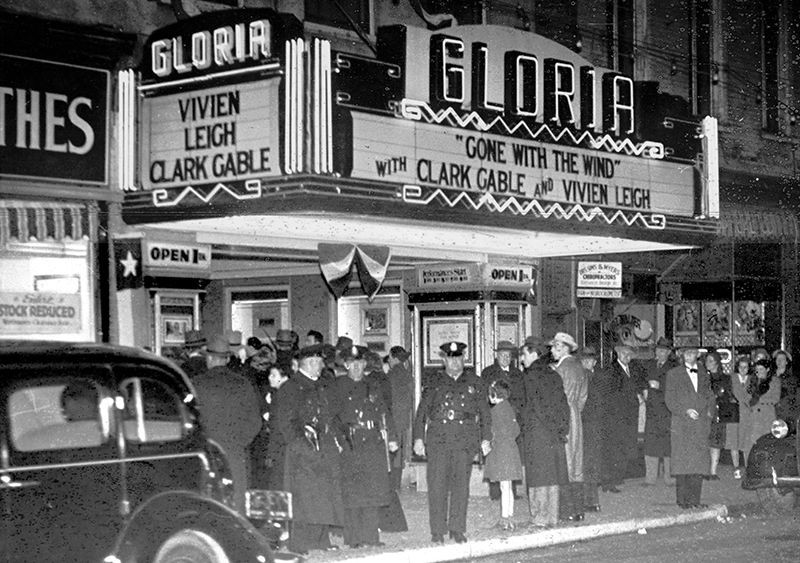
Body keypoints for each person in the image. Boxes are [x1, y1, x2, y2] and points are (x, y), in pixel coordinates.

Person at [413, 341, 491, 544]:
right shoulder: (434, 382)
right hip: (438, 440)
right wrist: (418, 438)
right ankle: (437, 531)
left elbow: (484, 413)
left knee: (460, 487)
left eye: (458, 357)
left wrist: (486, 438)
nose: (455, 362)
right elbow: (421, 412)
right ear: (444, 359)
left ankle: (457, 529)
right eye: (451, 358)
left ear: (463, 358)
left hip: (464, 440)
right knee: (437, 486)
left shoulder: (475, 382)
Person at [274, 344, 344, 554]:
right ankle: (299, 543)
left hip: (324, 447)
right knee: (303, 498)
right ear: (311, 363)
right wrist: (304, 448)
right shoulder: (291, 387)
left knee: (324, 494)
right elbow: (286, 423)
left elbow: (331, 415)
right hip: (302, 453)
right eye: (320, 362)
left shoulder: (322, 385)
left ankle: (321, 540)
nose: (322, 366)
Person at [333, 345, 398, 548]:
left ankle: (371, 536)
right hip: (350, 442)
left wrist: (393, 437)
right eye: (352, 363)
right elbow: (331, 418)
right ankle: (353, 538)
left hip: (372, 442)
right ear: (346, 364)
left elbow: (385, 413)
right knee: (352, 492)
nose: (357, 367)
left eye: (360, 363)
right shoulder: (337, 386)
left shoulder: (373, 385)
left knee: (373, 490)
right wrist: (339, 442)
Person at [191, 334, 262, 513]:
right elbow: (255, 422)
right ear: (227, 359)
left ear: (209, 358)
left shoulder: (196, 384)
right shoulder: (242, 384)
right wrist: (238, 443)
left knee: (207, 504)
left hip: (206, 454)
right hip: (234, 454)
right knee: (236, 505)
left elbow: (191, 422)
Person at [519, 336, 569, 528]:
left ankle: (539, 518)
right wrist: (560, 429)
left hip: (537, 432)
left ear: (533, 353)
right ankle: (552, 517)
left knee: (538, 475)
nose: (522, 359)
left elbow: (532, 407)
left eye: (524, 354)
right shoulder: (553, 374)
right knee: (552, 475)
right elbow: (563, 405)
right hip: (554, 434)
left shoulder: (530, 375)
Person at [665, 345, 715, 509]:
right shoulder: (673, 374)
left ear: (697, 355)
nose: (689, 355)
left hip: (700, 424)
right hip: (682, 424)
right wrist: (685, 411)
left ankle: (695, 501)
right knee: (683, 462)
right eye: (686, 353)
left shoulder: (704, 374)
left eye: (692, 353)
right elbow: (669, 399)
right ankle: (683, 501)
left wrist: (708, 414)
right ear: (681, 355)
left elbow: (710, 396)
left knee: (698, 463)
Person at [549, 332, 587, 523]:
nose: (552, 350)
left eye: (554, 347)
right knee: (576, 462)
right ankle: (579, 509)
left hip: (563, 416)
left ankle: (567, 510)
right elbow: (582, 398)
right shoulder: (579, 367)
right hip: (576, 417)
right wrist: (575, 411)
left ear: (563, 348)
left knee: (564, 463)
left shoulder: (559, 369)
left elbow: (555, 398)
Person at [481, 340, 524, 500]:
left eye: (508, 355)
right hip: (495, 419)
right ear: (496, 355)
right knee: (495, 453)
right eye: (502, 355)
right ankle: (495, 491)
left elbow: (521, 397)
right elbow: (485, 398)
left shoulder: (518, 374)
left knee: (510, 454)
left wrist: (516, 414)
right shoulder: (488, 373)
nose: (505, 358)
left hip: (512, 420)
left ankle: (511, 490)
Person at [598, 344, 645, 492]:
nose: (627, 356)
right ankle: (608, 481)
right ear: (618, 354)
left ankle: (616, 478)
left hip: (627, 416)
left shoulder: (631, 370)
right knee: (613, 449)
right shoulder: (611, 370)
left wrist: (638, 396)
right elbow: (609, 395)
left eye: (629, 354)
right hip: (615, 417)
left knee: (622, 448)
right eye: (624, 354)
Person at [380, 345, 414, 533]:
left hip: (393, 418)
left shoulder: (392, 374)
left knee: (392, 455)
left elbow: (388, 398)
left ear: (393, 358)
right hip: (404, 419)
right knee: (400, 454)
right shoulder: (407, 374)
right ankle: (398, 483)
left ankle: (393, 484)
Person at [483, 379, 523, 531]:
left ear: (495, 394)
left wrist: (490, 443)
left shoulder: (495, 411)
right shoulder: (509, 408)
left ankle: (505, 518)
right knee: (508, 486)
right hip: (511, 450)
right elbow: (516, 430)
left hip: (501, 452)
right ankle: (509, 515)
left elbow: (495, 432)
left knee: (504, 486)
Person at [641, 337, 678, 486]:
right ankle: (650, 478)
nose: (660, 352)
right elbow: (642, 380)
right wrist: (643, 390)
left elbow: (677, 388)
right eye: (658, 349)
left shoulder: (674, 367)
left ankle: (670, 477)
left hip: (667, 410)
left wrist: (660, 386)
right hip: (652, 410)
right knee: (651, 444)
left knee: (668, 445)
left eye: (663, 350)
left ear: (669, 352)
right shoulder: (649, 365)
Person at [578, 346, 602, 513]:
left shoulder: (599, 377)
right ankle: (589, 501)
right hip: (583, 425)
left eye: (590, 359)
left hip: (596, 425)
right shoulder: (579, 377)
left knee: (592, 463)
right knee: (586, 464)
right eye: (584, 360)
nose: (587, 362)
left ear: (594, 361)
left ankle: (592, 499)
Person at [705, 350, 734, 480]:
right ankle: (703, 469)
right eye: (706, 360)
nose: (707, 363)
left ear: (717, 362)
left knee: (716, 442)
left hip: (718, 412)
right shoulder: (701, 377)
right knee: (703, 441)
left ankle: (713, 471)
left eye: (711, 361)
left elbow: (728, 396)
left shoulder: (726, 378)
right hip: (703, 412)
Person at [263, 364, 290, 490]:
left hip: (280, 448)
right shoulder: (287, 392)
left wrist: (271, 453)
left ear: (284, 377)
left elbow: (276, 427)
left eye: (274, 375)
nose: (270, 378)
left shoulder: (279, 397)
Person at [747, 357, 781, 450]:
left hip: (767, 415)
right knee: (753, 442)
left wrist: (759, 399)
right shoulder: (753, 381)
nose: (759, 372)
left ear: (768, 369)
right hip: (754, 416)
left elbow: (775, 398)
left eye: (761, 369)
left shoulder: (774, 381)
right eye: (757, 369)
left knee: (766, 440)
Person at [731, 355, 753, 479]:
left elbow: (752, 395)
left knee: (747, 442)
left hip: (748, 415)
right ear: (737, 367)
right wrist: (745, 400)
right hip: (735, 413)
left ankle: (747, 468)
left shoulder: (752, 379)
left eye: (746, 367)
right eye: (741, 367)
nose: (743, 369)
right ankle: (736, 468)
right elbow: (737, 394)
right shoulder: (733, 378)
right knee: (734, 441)